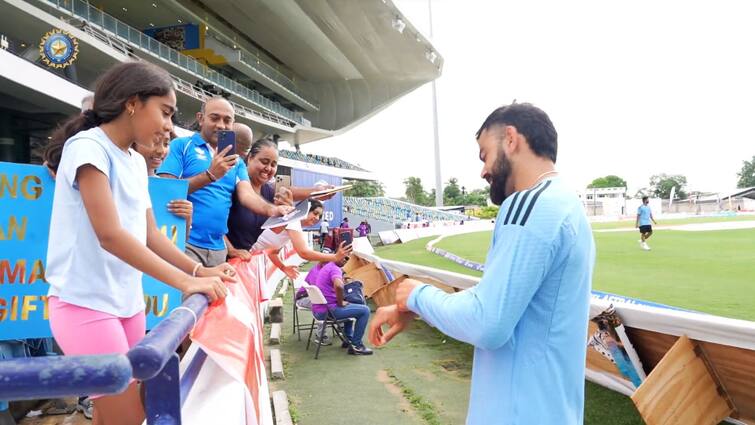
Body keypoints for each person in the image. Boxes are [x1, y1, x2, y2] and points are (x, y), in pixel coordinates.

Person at [368, 103, 594, 424]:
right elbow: (504, 306)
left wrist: (415, 295)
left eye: (484, 154)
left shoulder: (528, 204)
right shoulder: (565, 204)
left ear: (511, 139)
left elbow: (487, 323)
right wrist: (419, 309)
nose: (483, 170)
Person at [45, 62, 235, 425]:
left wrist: (200, 270)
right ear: (133, 103)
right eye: (165, 112)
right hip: (85, 307)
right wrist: (186, 282)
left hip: (128, 304)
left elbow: (150, 234)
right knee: (130, 418)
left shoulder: (134, 160)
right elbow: (111, 235)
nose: (169, 126)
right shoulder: (87, 147)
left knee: (112, 414)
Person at [157, 97, 290, 267]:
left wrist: (274, 209)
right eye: (214, 118)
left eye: (227, 120)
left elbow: (248, 195)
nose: (221, 125)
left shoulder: (236, 161)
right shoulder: (181, 146)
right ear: (200, 118)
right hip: (184, 243)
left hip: (218, 250)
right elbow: (165, 190)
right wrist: (210, 175)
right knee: (193, 293)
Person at [225, 137, 336, 259]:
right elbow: (207, 219)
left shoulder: (269, 192)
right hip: (218, 260)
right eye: (264, 161)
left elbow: (276, 229)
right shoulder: (231, 183)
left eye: (273, 164)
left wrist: (316, 192)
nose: (268, 168)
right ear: (250, 158)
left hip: (241, 264)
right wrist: (231, 250)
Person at [251, 198, 351, 275]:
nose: (317, 218)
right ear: (306, 210)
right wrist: (335, 257)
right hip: (242, 250)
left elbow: (272, 253)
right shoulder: (294, 221)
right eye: (315, 213)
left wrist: (283, 268)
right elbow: (304, 253)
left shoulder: (293, 225)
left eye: (319, 216)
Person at [132, 130, 194, 238]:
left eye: (166, 144)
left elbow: (177, 239)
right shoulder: (122, 179)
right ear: (133, 143)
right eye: (154, 142)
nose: (161, 151)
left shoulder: (168, 190)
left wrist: (186, 220)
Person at [314, 257, 373, 355]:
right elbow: (339, 286)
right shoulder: (335, 268)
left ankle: (348, 339)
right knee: (365, 310)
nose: (346, 260)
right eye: (344, 257)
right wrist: (340, 302)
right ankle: (356, 346)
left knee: (351, 305)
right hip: (328, 311)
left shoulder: (327, 266)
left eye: (348, 258)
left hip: (319, 310)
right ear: (336, 254)